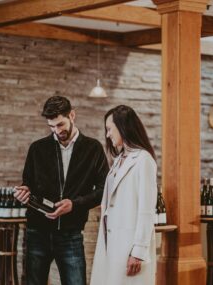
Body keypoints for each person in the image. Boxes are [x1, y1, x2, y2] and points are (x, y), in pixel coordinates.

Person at [14, 96, 109, 285]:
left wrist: (74, 204)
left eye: (60, 125)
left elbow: (103, 191)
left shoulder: (93, 149)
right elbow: (28, 185)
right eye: (51, 127)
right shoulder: (37, 148)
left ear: (72, 115)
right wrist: (23, 193)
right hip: (37, 232)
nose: (56, 131)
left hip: (71, 233)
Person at [90, 105, 157, 285]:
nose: (108, 134)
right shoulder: (119, 160)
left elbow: (147, 209)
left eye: (109, 129)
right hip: (110, 241)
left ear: (123, 127)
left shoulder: (144, 160)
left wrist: (139, 251)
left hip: (128, 245)